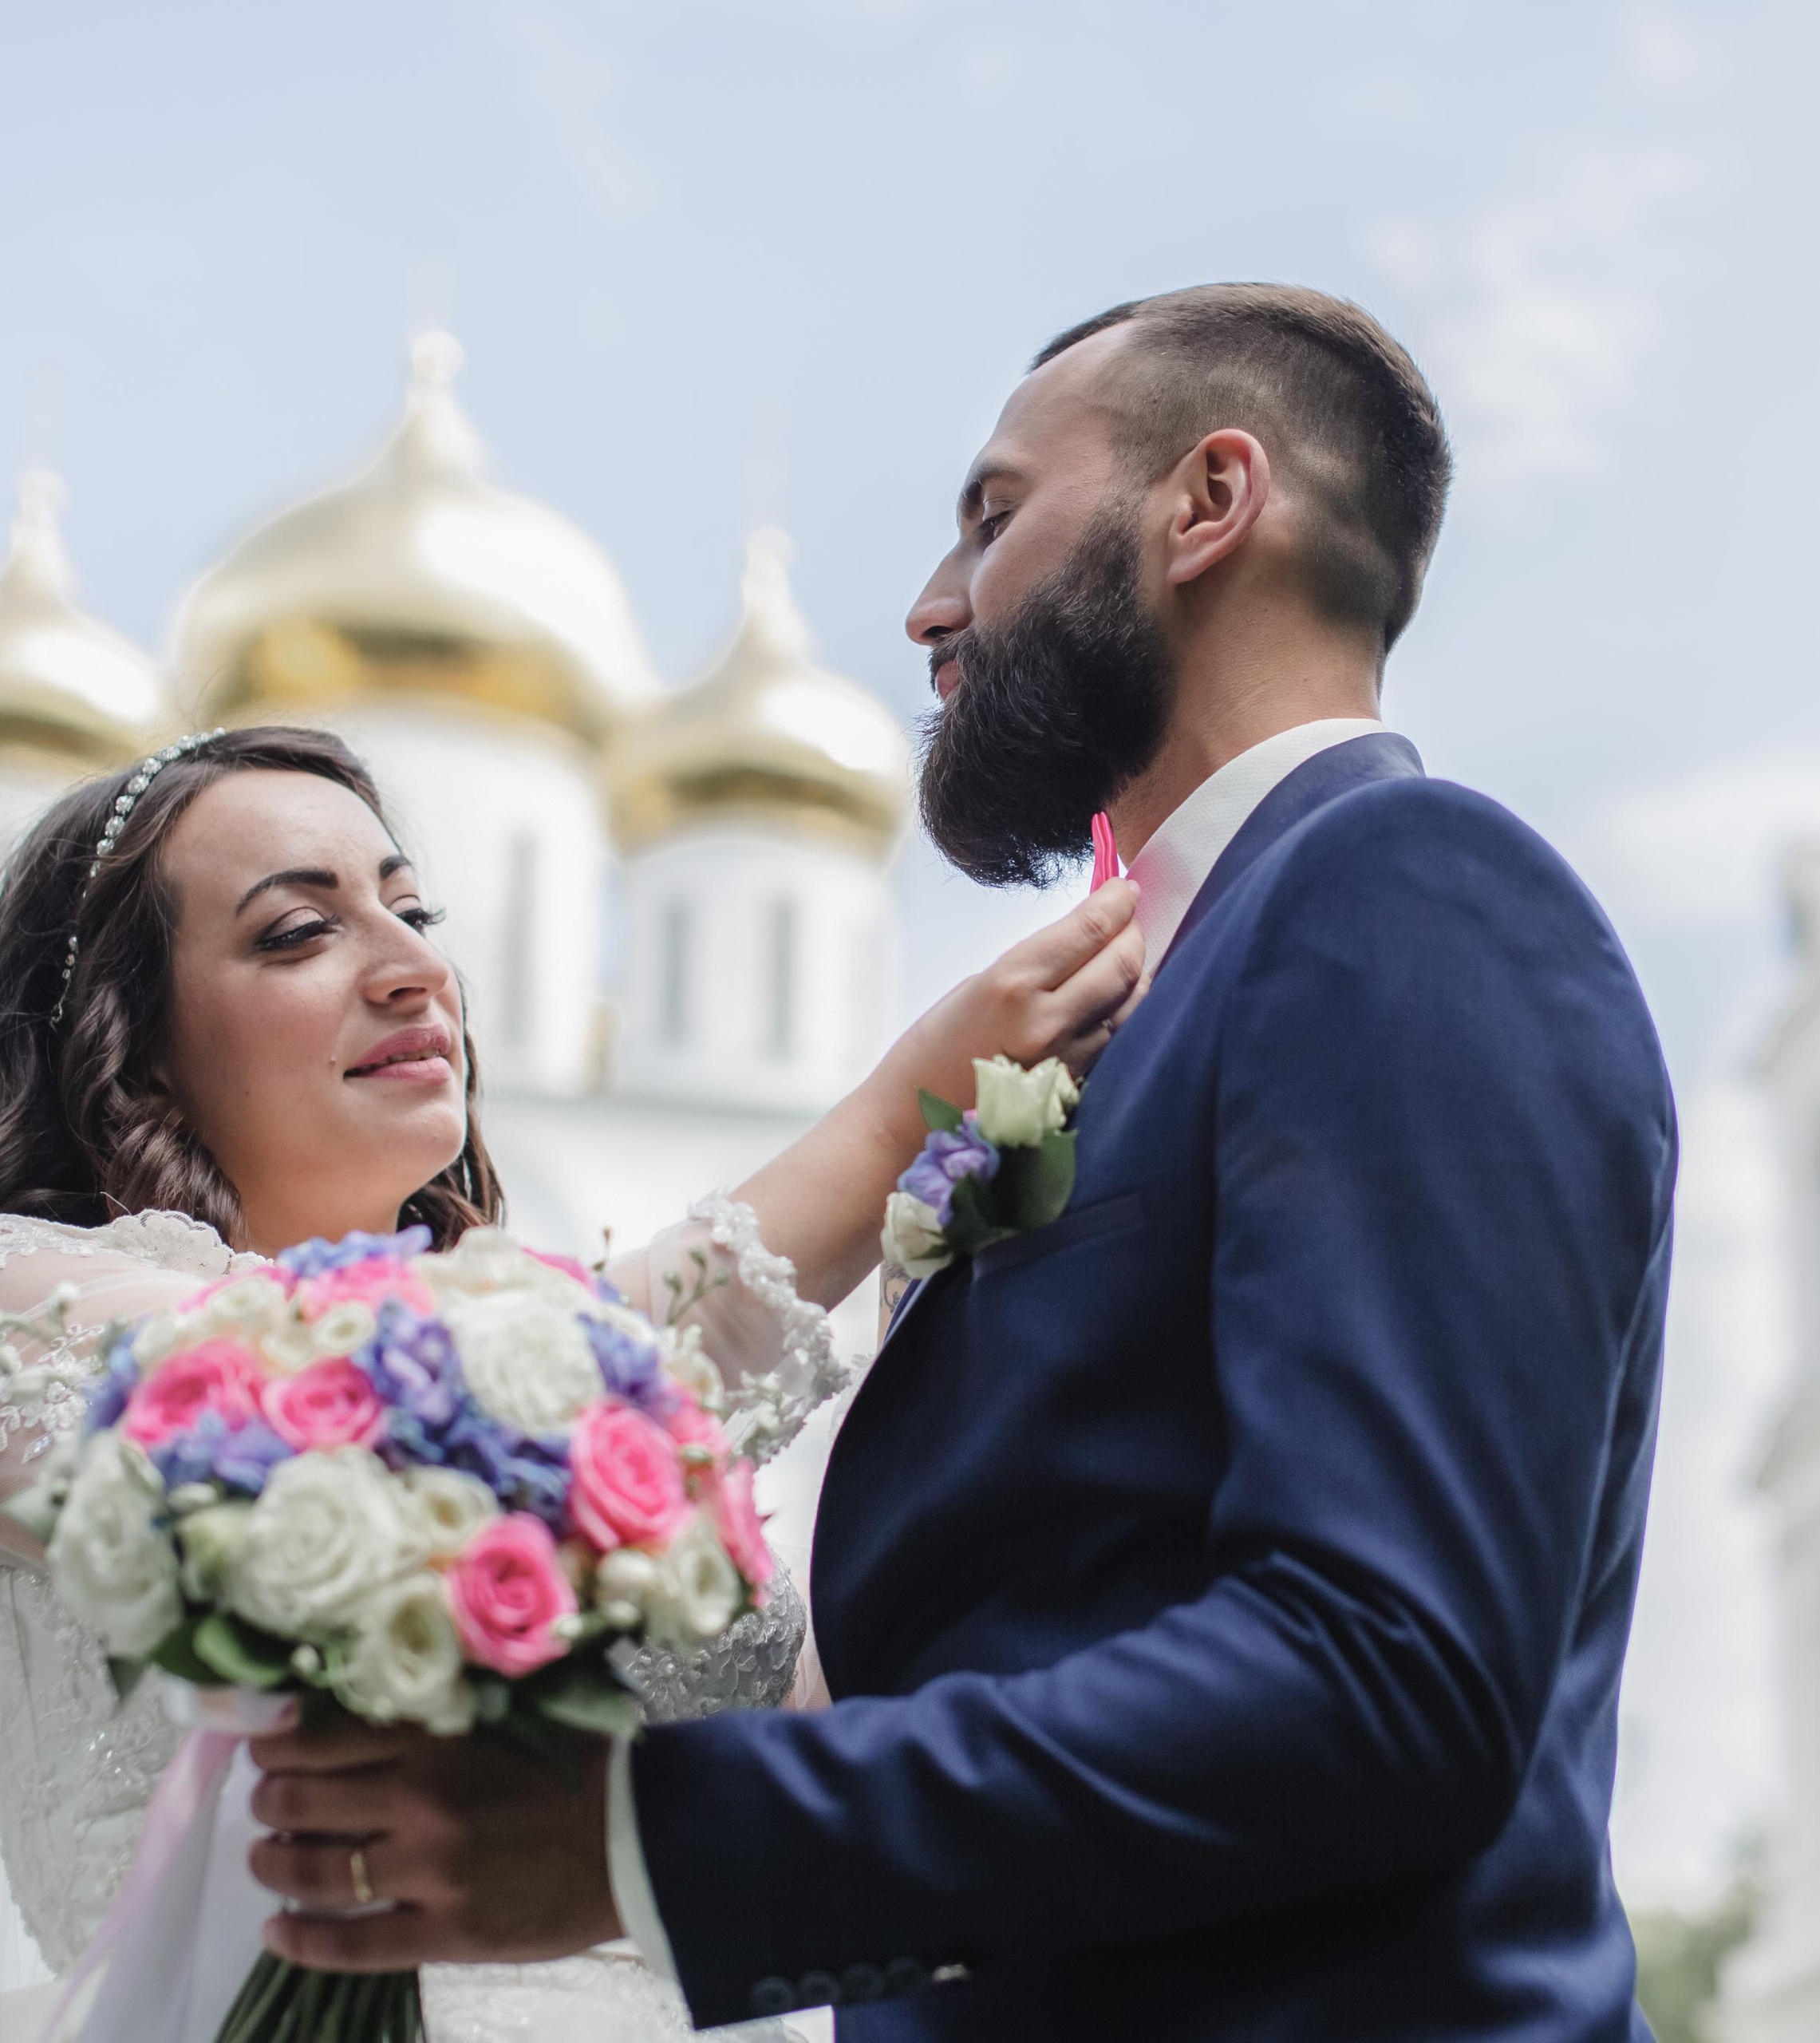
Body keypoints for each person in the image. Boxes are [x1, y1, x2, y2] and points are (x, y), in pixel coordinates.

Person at [254, 283, 1677, 2041]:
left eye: (994, 518)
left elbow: (1385, 1673)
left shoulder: (1403, 887)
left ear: (1206, 503)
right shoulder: (1114, 1012)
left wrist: (635, 1845)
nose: (932, 608)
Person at [0, 721, 1144, 2043]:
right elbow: (469, 1408)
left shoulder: (562, 1330)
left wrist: (969, 1315)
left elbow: (815, 1760)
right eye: (300, 933)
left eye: (415, 910)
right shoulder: (34, 1299)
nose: (414, 968)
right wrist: (903, 1114)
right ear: (128, 1044)